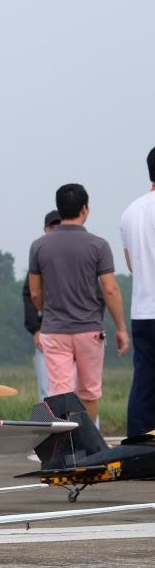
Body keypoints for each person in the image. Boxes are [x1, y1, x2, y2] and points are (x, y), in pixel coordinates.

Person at [29, 183, 130, 425]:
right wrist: (121, 328)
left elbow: (34, 293)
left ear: (59, 209)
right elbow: (110, 289)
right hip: (89, 329)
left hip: (55, 330)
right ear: (85, 209)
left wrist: (47, 310)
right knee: (89, 393)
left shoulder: (40, 246)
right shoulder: (98, 245)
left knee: (60, 393)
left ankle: (64, 448)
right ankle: (86, 443)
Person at [121, 148, 155, 438]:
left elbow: (131, 264)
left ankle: (139, 450)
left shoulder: (131, 212)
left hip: (143, 310)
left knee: (144, 385)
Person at [23, 210, 62, 401]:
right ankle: (50, 430)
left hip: (76, 329)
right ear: (46, 229)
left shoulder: (77, 252)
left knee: (78, 390)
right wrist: (36, 329)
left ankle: (80, 430)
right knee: (46, 389)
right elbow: (30, 294)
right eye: (52, 227)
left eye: (59, 226)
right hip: (46, 330)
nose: (55, 231)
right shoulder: (38, 256)